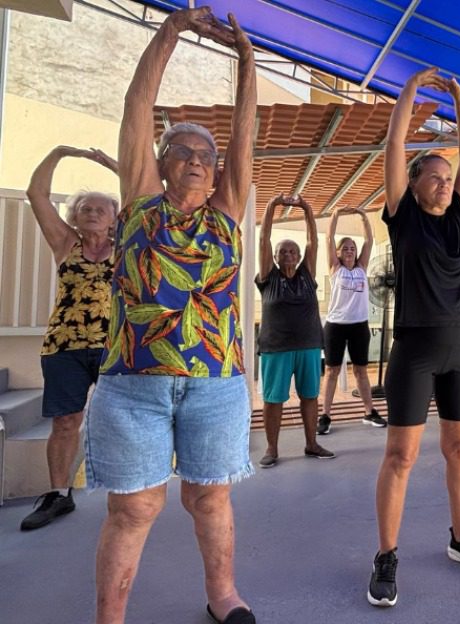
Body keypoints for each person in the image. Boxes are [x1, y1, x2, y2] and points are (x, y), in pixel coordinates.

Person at [86, 9, 257, 623]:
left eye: (203, 154)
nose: (194, 158)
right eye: (178, 151)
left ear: (215, 175)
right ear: (158, 163)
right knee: (134, 508)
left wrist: (247, 62)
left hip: (214, 386)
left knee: (211, 498)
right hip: (134, 387)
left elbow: (244, 137)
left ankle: (222, 596)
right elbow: (138, 103)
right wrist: (171, 32)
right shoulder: (136, 205)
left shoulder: (226, 213)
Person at [368, 68, 460, 609]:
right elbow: (395, 143)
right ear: (415, 183)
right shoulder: (402, 218)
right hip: (416, 348)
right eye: (434, 176)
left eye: (448, 177)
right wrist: (409, 92)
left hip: (459, 349)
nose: (445, 182)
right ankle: (385, 556)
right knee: (401, 454)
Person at [20, 146, 118, 532]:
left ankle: (128, 490)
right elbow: (36, 195)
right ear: (74, 217)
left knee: (124, 420)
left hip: (115, 346)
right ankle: (59, 494)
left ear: (114, 220)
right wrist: (60, 152)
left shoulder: (126, 244)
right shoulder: (65, 244)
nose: (92, 213)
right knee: (65, 422)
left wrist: (112, 165)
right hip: (64, 346)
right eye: (85, 208)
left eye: (101, 209)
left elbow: (146, 198)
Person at [256, 192, 334, 465]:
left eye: (292, 251)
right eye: (282, 252)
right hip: (276, 347)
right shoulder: (268, 277)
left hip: (310, 344)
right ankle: (271, 449)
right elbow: (263, 239)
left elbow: (314, 240)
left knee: (310, 396)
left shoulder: (306, 273)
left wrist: (307, 209)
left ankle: (312, 444)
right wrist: (271, 204)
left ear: (299, 256)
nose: (288, 254)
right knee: (273, 399)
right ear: (275, 257)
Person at [317, 207, 385, 434]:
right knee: (332, 371)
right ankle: (325, 415)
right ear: (338, 252)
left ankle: (369, 412)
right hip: (336, 326)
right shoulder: (335, 268)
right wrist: (336, 214)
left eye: (352, 248)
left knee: (361, 371)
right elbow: (328, 237)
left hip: (359, 326)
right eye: (345, 248)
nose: (349, 251)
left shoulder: (362, 268)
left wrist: (364, 217)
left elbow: (369, 239)